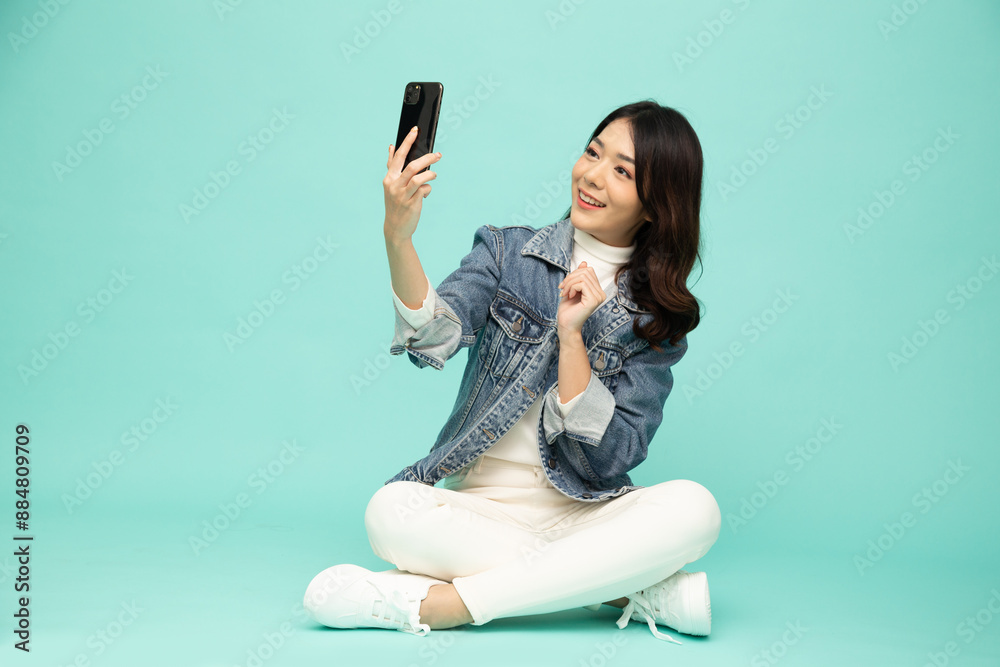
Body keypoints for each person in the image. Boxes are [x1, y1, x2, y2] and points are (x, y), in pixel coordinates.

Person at [303, 100, 721, 644]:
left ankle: (449, 605)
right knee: (390, 510)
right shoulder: (509, 251)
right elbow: (431, 338)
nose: (592, 176)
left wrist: (572, 339)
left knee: (696, 509)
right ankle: (619, 589)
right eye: (592, 153)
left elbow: (612, 459)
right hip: (477, 512)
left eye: (622, 171)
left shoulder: (656, 318)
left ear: (654, 206)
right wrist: (398, 238)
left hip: (583, 514)